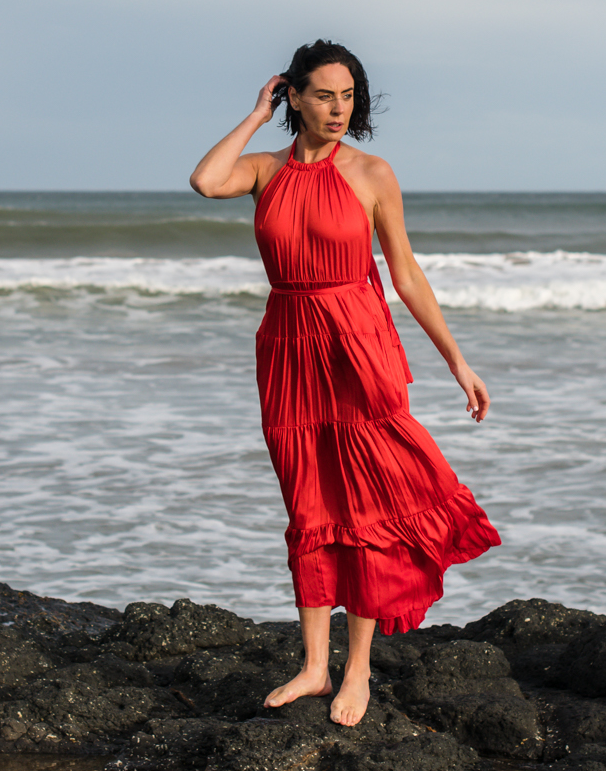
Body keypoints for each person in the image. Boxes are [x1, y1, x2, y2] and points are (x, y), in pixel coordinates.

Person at [190, 40, 501, 726]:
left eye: (349, 95)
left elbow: (407, 273)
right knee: (308, 500)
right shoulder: (264, 170)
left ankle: (356, 668)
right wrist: (252, 115)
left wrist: (457, 359)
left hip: (358, 343)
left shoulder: (370, 172)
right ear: (293, 97)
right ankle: (312, 664)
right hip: (289, 344)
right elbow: (205, 180)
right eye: (325, 94)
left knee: (365, 500)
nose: (339, 108)